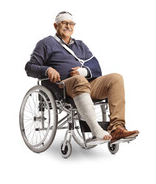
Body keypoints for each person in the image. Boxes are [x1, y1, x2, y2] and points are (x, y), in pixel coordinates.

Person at [25, 11, 139, 143]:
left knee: (116, 78)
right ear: (55, 25)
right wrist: (47, 69)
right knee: (78, 80)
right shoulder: (45, 44)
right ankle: (96, 131)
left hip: (86, 84)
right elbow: (29, 67)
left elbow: (96, 67)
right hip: (62, 87)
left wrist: (84, 71)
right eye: (64, 23)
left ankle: (117, 129)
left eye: (71, 23)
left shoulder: (80, 45)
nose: (68, 26)